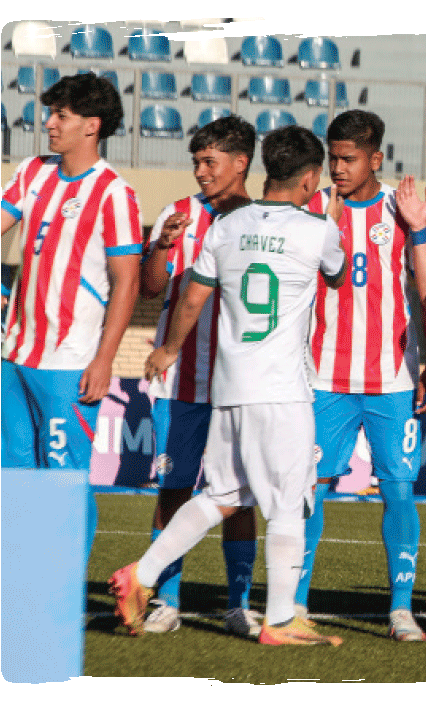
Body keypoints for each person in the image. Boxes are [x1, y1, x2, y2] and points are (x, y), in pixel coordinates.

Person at [111, 124, 347, 646]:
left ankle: (140, 577)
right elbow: (336, 275)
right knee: (289, 502)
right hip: (282, 388)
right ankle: (282, 619)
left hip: (228, 386)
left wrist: (170, 347)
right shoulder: (316, 228)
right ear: (310, 178)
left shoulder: (226, 226)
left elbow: (192, 296)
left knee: (221, 493)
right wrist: (326, 223)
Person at [294, 110, 426, 642]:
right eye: (333, 157)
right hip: (325, 379)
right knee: (311, 487)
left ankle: (401, 609)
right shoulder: (312, 211)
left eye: (349, 158)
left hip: (393, 380)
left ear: (375, 158)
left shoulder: (400, 211)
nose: (337, 168)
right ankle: (293, 600)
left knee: (399, 489)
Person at [0, 73, 141, 566]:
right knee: (15, 475)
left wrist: (104, 360)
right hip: (14, 354)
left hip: (69, 362)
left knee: (62, 478)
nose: (48, 123)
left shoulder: (113, 194)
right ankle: (20, 580)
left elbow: (128, 281)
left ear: (91, 126)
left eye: (61, 114)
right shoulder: (34, 171)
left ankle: (61, 588)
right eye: (51, 112)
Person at [138, 115, 263, 637]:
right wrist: (163, 247)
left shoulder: (263, 219)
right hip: (184, 382)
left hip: (239, 383)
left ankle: (237, 603)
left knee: (237, 495)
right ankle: (166, 600)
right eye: (196, 162)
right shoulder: (179, 214)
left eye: (210, 162)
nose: (201, 171)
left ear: (240, 163)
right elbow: (150, 288)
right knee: (174, 488)